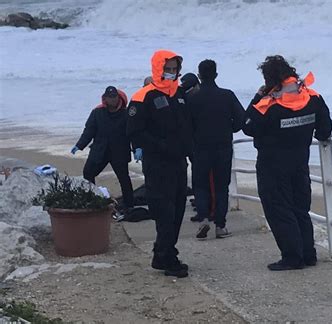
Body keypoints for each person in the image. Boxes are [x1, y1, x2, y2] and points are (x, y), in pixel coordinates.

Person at [242, 55, 332, 271]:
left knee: (279, 210)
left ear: (270, 79)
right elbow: (324, 131)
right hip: (300, 162)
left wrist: (258, 95)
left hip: (272, 165)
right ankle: (308, 254)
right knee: (301, 209)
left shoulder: (268, 104)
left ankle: (292, 257)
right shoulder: (312, 97)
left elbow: (246, 125)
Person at [126, 50, 192, 278]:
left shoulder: (179, 94)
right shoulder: (143, 96)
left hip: (179, 162)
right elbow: (134, 131)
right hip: (157, 164)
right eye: (168, 69)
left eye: (175, 69)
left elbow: (186, 126)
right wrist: (161, 146)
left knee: (178, 210)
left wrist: (189, 149)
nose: (172, 73)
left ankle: (165, 251)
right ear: (158, 69)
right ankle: (165, 256)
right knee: (164, 212)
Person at [187, 59, 245, 239]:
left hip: (200, 146)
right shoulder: (227, 95)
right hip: (223, 145)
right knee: (222, 186)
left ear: (199, 76)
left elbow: (185, 124)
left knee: (200, 184)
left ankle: (203, 218)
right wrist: (230, 129)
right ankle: (220, 225)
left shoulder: (192, 98)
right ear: (216, 75)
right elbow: (242, 119)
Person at [71, 86, 134, 212]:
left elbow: (133, 133)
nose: (113, 100)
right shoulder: (97, 112)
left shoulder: (125, 114)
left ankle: (129, 204)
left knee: (124, 178)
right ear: (104, 98)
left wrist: (137, 148)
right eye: (109, 97)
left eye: (115, 97)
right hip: (100, 150)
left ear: (119, 97)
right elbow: (89, 131)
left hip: (119, 151)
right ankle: (91, 199)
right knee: (88, 173)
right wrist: (79, 145)